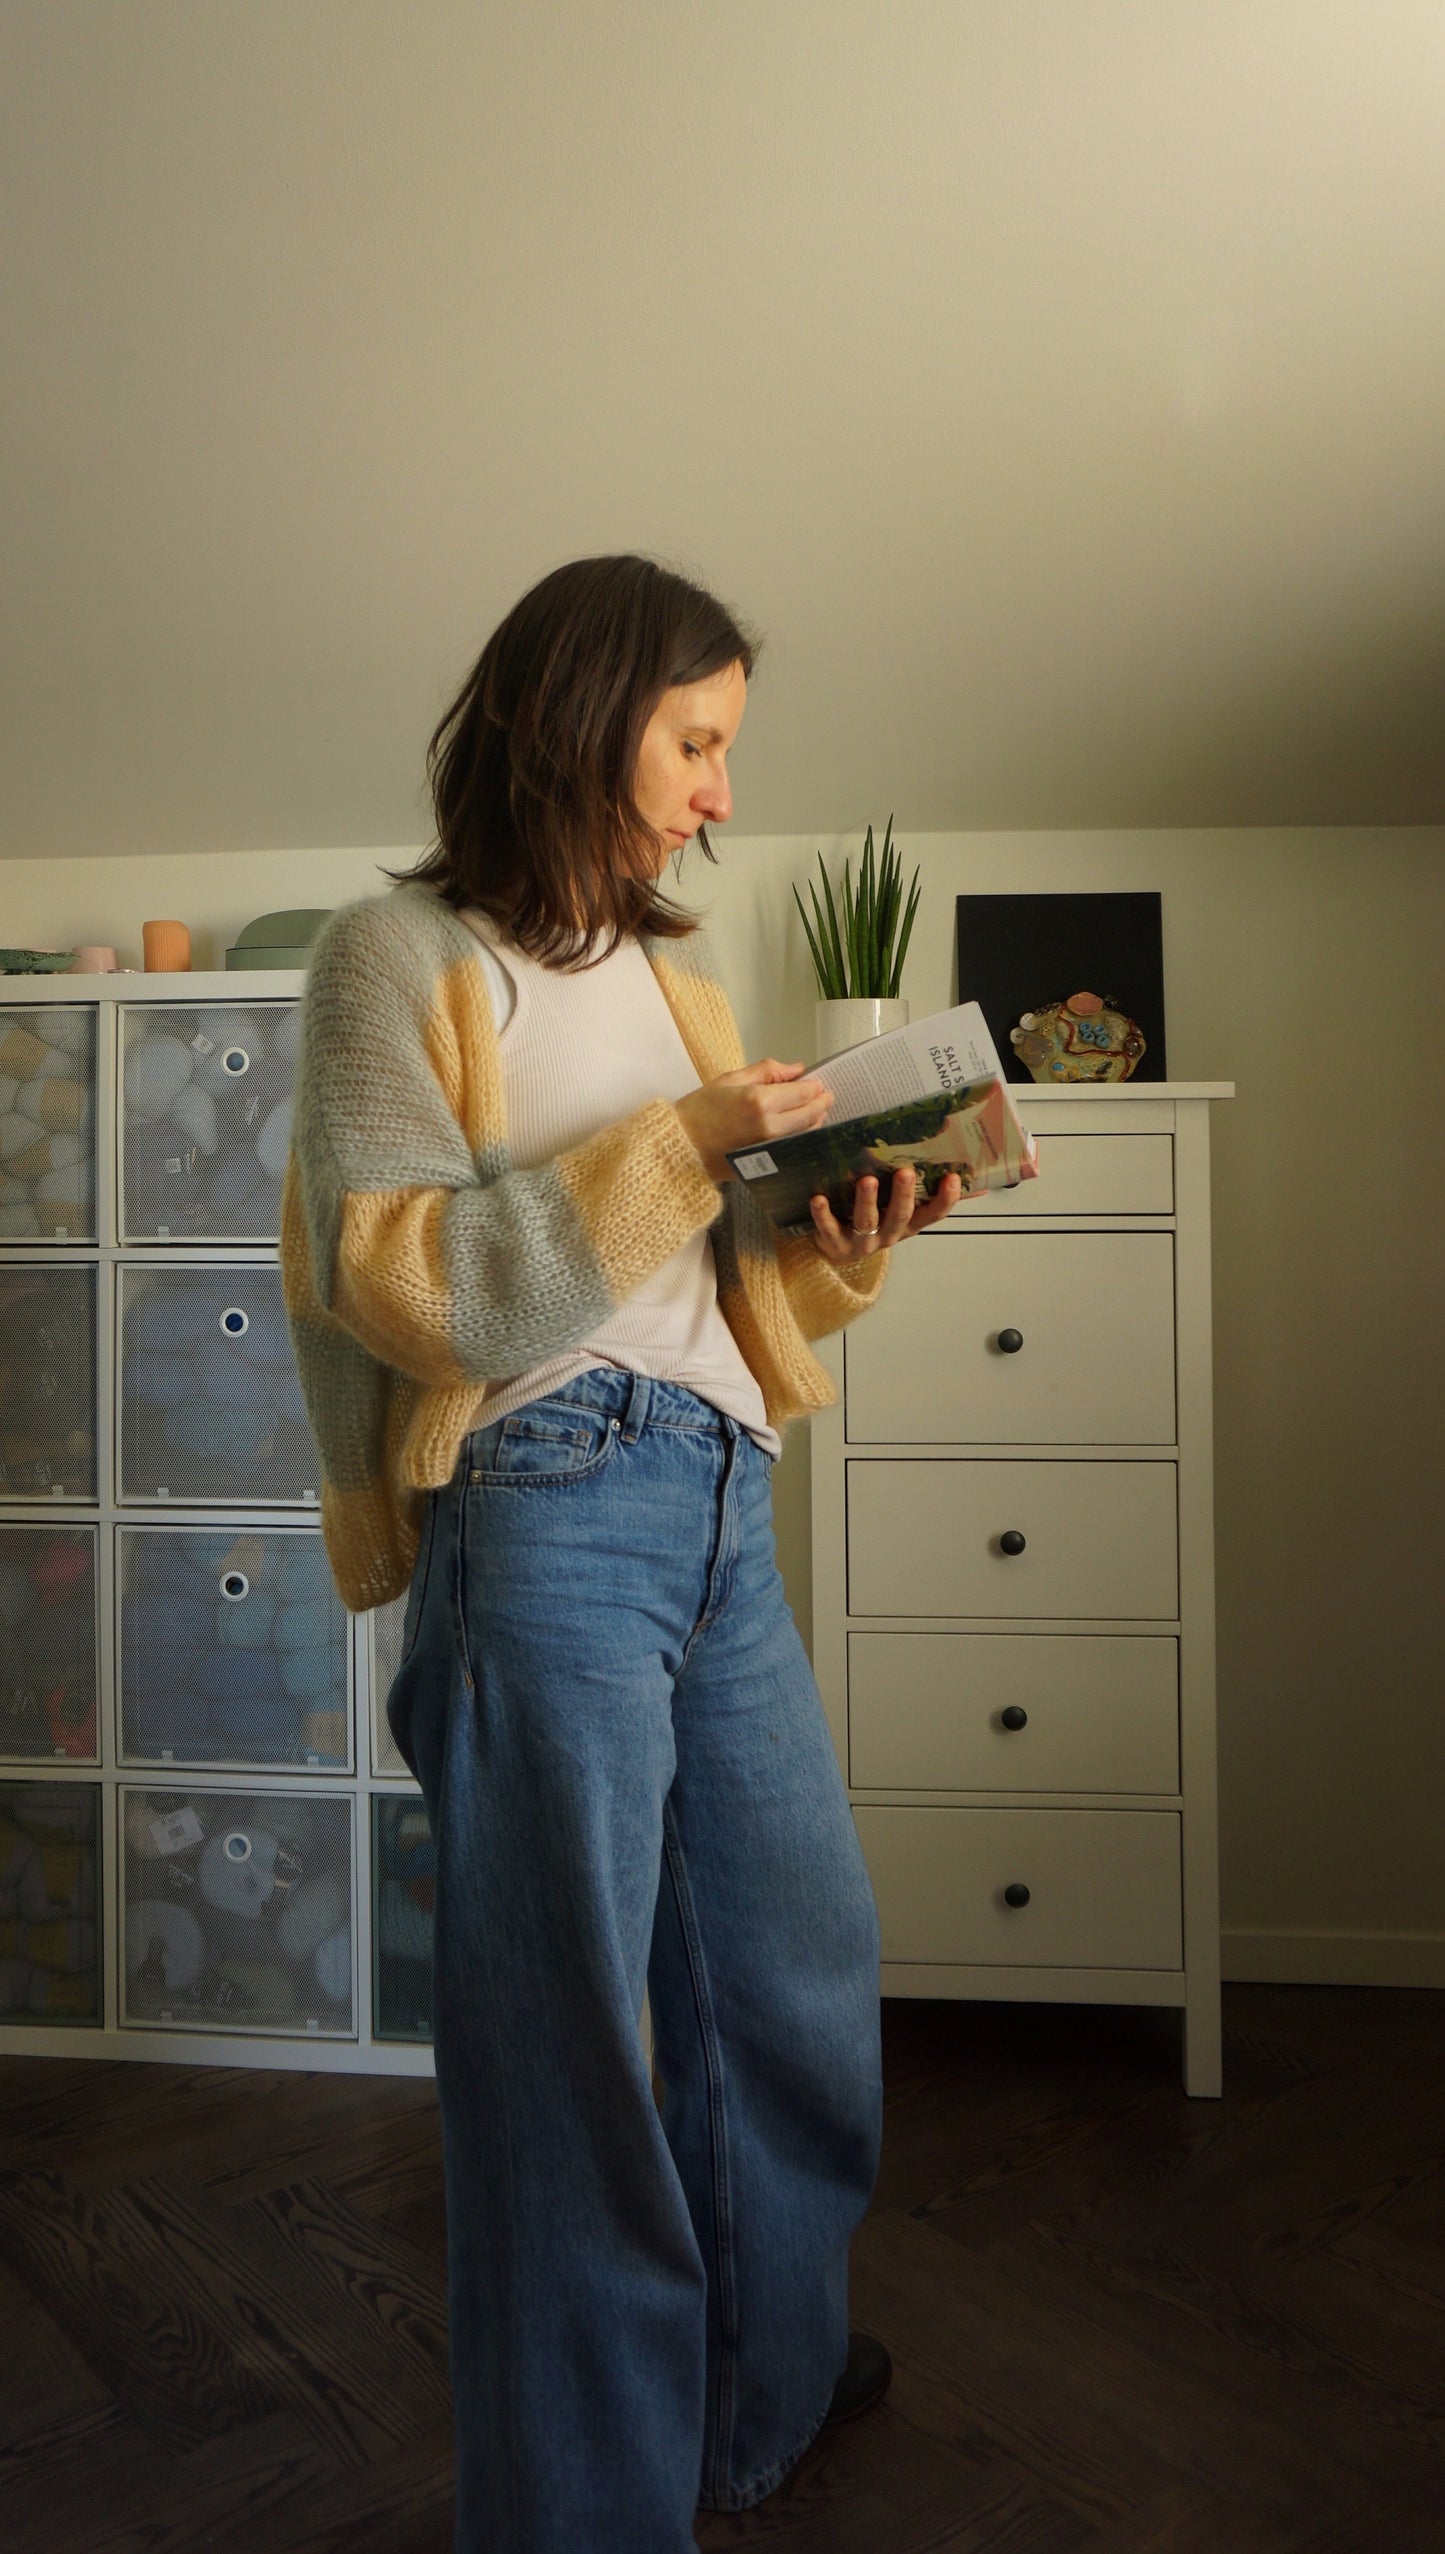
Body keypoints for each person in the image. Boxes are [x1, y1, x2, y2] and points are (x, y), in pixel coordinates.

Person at [282, 555, 962, 2554]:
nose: (716, 797)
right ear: (576, 716)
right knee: (568, 2055)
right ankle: (583, 2508)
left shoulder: (681, 983)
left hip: (721, 1494)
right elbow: (405, 1281)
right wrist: (684, 1142)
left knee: (797, 1986)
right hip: (545, 1504)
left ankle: (751, 2387)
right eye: (694, 743)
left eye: (724, 752)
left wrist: (834, 1253)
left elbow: (707, 1282)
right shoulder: (392, 957)